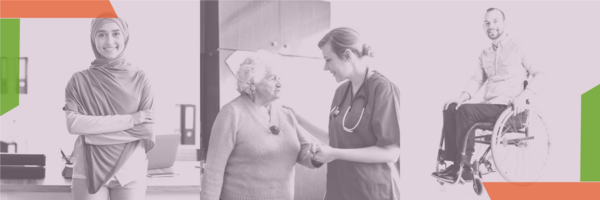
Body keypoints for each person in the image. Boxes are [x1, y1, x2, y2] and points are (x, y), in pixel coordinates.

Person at [431, 7, 545, 182]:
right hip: (490, 107)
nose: (491, 26)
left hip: (510, 109)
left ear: (505, 23)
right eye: (487, 23)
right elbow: (477, 79)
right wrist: (461, 97)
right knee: (452, 108)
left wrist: (523, 96)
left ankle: (465, 166)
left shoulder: (520, 47)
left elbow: (541, 74)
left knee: (466, 112)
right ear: (483, 27)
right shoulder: (485, 54)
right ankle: (453, 164)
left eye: (495, 21)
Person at [287, 27, 401, 200]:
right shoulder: (341, 91)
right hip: (340, 189)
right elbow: (338, 139)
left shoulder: (383, 89)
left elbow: (391, 152)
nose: (325, 67)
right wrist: (297, 119)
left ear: (347, 55)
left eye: (328, 60)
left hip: (371, 192)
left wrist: (333, 153)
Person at [200, 51, 323, 200]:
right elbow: (213, 170)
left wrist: (316, 155)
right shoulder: (232, 114)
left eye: (280, 78)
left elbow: (304, 150)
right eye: (273, 79)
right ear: (253, 82)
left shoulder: (287, 114)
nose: (280, 84)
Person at [63, 13, 156, 200]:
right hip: (87, 170)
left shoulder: (141, 78)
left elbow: (146, 129)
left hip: (131, 172)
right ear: (93, 39)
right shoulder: (78, 81)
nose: (109, 41)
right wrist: (131, 120)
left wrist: (93, 135)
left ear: (125, 37)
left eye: (116, 33)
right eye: (101, 34)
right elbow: (74, 125)